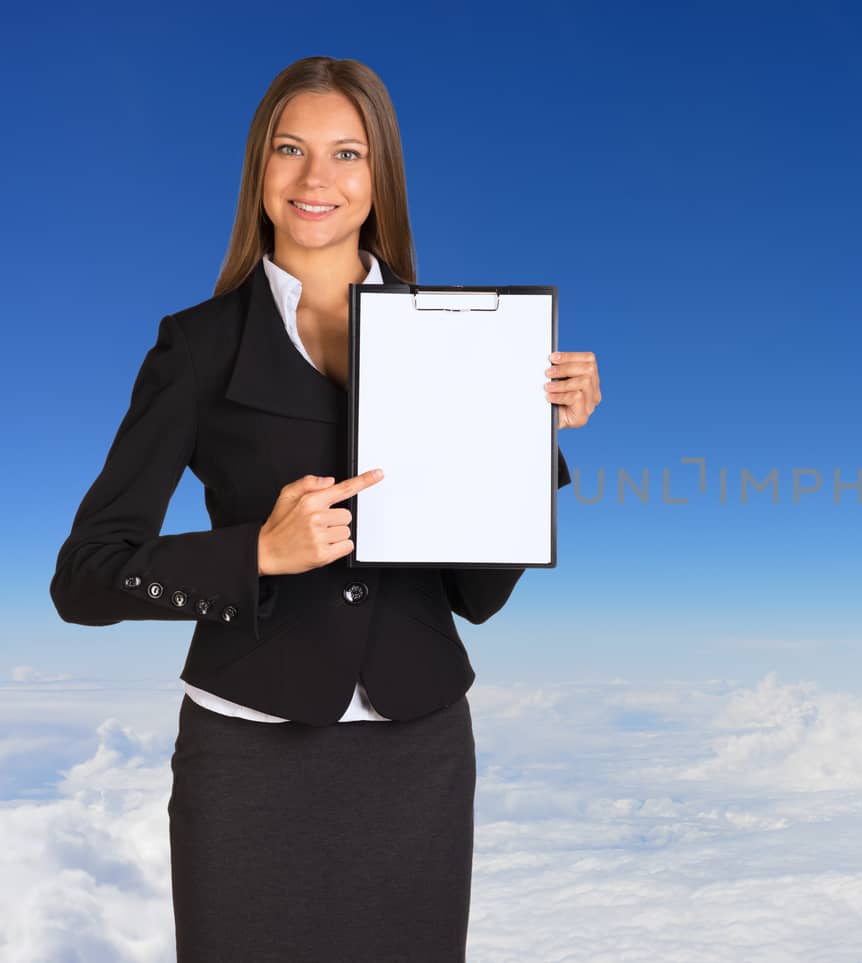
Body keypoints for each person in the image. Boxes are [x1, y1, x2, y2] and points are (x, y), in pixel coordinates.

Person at [48, 56, 602, 961]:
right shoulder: (196, 346)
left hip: (418, 753)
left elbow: (477, 593)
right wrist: (254, 556)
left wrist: (530, 436)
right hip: (248, 760)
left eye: (347, 153)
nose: (317, 179)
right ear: (258, 174)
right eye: (290, 150)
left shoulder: (464, 343)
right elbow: (85, 576)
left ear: (379, 178)